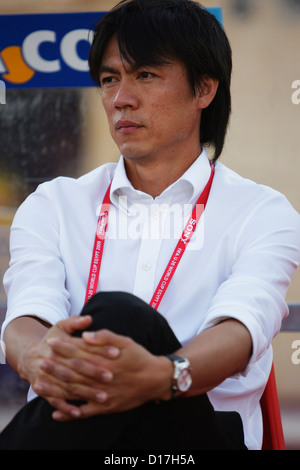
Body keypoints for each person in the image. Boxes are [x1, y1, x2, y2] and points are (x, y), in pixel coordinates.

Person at [0, 0, 299, 451]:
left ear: (204, 89)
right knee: (113, 323)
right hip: (79, 432)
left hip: (192, 437)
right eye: (109, 79)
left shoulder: (261, 211)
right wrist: (36, 356)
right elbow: (28, 313)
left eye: (145, 75)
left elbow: (241, 327)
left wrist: (162, 375)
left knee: (118, 316)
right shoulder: (54, 203)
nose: (121, 99)